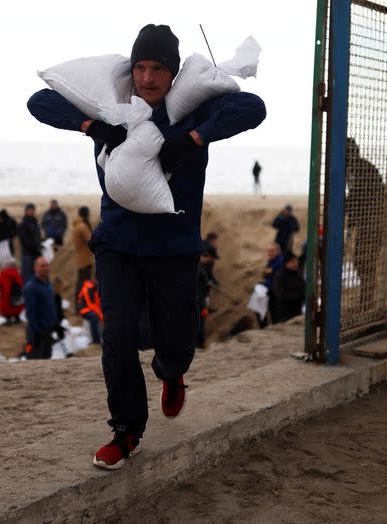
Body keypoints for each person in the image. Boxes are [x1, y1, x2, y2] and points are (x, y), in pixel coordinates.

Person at [28, 23, 266, 470]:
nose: (148, 78)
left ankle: (172, 373)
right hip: (117, 245)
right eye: (140, 67)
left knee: (176, 341)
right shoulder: (113, 109)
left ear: (173, 74)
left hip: (174, 247)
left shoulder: (190, 111)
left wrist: (193, 139)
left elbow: (252, 107)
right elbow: (39, 101)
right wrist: (92, 126)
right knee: (116, 336)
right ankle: (126, 431)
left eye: (158, 68)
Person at [22, 257, 58, 359]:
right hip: (38, 331)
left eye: (47, 265)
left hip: (48, 329)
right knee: (36, 359)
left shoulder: (48, 285)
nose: (46, 268)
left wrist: (56, 323)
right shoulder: (31, 287)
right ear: (35, 268)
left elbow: (51, 305)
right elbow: (30, 312)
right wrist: (35, 332)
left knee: (47, 358)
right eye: (42, 266)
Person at [271, 251, 305, 323]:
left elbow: (303, 289)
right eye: (292, 262)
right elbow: (280, 294)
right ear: (286, 264)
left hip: (298, 310)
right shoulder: (280, 276)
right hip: (284, 312)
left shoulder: (298, 274)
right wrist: (297, 296)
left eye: (296, 261)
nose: (295, 264)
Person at [0, 258, 25, 323]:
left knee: (3, 301)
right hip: (18, 305)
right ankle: (17, 317)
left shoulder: (2, 277)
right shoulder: (19, 276)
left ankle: (8, 318)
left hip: (6, 307)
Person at [72, 206, 94, 311]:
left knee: (80, 282)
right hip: (85, 259)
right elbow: (91, 240)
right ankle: (81, 305)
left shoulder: (76, 226)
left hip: (80, 258)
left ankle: (78, 305)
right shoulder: (82, 226)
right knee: (84, 284)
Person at [258, 243, 284, 328]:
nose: (269, 253)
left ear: (277, 252)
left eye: (272, 251)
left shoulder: (280, 261)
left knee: (272, 311)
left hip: (274, 291)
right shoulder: (271, 261)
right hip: (268, 289)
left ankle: (266, 327)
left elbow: (270, 275)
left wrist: (267, 274)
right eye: (268, 251)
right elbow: (266, 274)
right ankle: (264, 327)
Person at [196, 248, 215, 348]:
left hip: (195, 301)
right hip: (199, 303)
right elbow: (200, 291)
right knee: (200, 325)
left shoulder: (197, 267)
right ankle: (200, 345)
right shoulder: (200, 270)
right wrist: (204, 307)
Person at [19, 203, 41, 282]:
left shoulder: (36, 223)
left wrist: (41, 244)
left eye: (33, 210)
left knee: (37, 276)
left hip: (37, 254)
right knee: (27, 277)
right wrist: (35, 247)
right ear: (26, 211)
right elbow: (24, 241)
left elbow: (38, 237)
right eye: (30, 210)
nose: (31, 212)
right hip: (27, 254)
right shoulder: (23, 225)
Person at [77, 278, 103, 344]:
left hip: (92, 309)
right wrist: (100, 314)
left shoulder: (95, 288)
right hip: (84, 310)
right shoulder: (88, 288)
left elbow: (98, 302)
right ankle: (96, 340)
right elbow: (91, 304)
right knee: (94, 317)